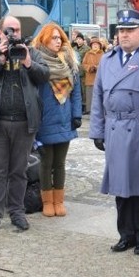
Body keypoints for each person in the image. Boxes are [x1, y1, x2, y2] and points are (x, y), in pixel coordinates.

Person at [90, 9, 139, 254]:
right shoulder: (108, 59)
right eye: (120, 30)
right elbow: (98, 97)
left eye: (130, 30)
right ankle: (126, 234)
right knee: (121, 186)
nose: (124, 35)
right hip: (115, 128)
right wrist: (97, 131)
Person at [0, 15, 50, 235]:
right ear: (0, 33)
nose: (13, 34)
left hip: (24, 123)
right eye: (9, 30)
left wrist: (27, 61)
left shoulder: (31, 52)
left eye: (16, 30)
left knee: (18, 172)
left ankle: (17, 211)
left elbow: (45, 75)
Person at [32, 22, 83, 218]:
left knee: (60, 163)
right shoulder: (37, 62)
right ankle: (47, 201)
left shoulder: (68, 61)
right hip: (44, 120)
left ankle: (59, 200)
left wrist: (76, 115)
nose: (58, 41)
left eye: (59, 37)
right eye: (53, 37)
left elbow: (76, 92)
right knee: (46, 162)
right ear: (44, 39)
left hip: (64, 119)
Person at [81, 38, 104, 115]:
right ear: (91, 46)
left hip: (99, 79)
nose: (95, 46)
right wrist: (90, 68)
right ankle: (90, 111)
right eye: (93, 45)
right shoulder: (87, 54)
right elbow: (83, 64)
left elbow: (105, 65)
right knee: (90, 95)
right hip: (89, 78)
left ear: (99, 46)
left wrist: (97, 67)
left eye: (97, 45)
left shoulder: (103, 54)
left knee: (99, 95)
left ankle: (99, 110)